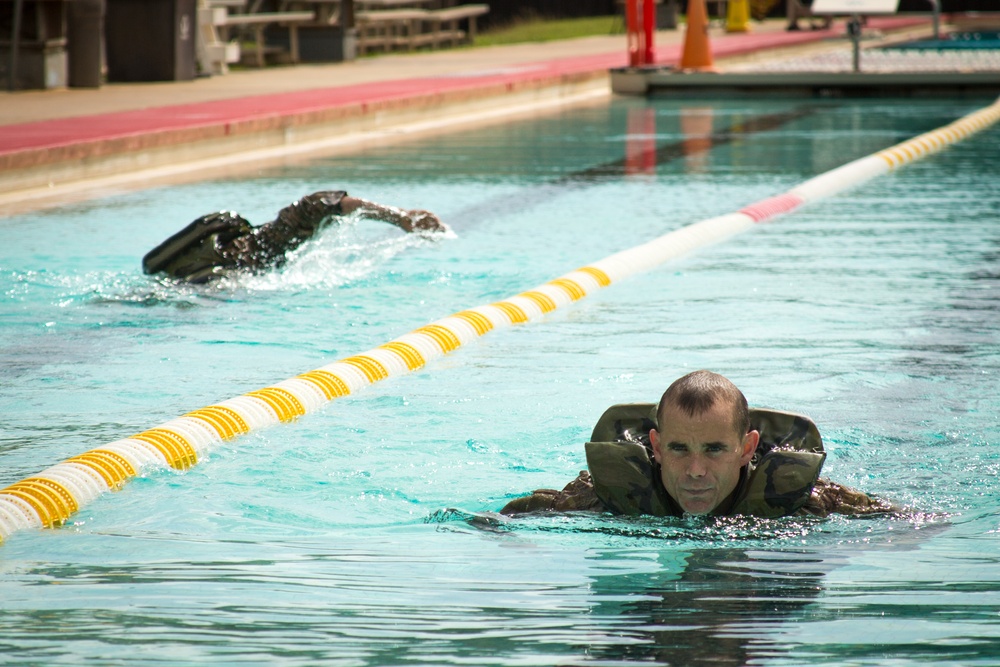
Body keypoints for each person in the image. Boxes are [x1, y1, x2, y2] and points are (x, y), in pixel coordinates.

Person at [501, 370, 896, 518]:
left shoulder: (809, 500)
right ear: (654, 446)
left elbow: (914, 526)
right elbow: (502, 520)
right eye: (678, 449)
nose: (695, 471)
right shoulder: (599, 495)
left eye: (714, 449)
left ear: (746, 449)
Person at [142, 190, 447, 283]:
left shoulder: (294, 224)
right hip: (232, 266)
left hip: (234, 268)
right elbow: (351, 206)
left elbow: (353, 208)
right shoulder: (306, 211)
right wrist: (402, 219)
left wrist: (404, 214)